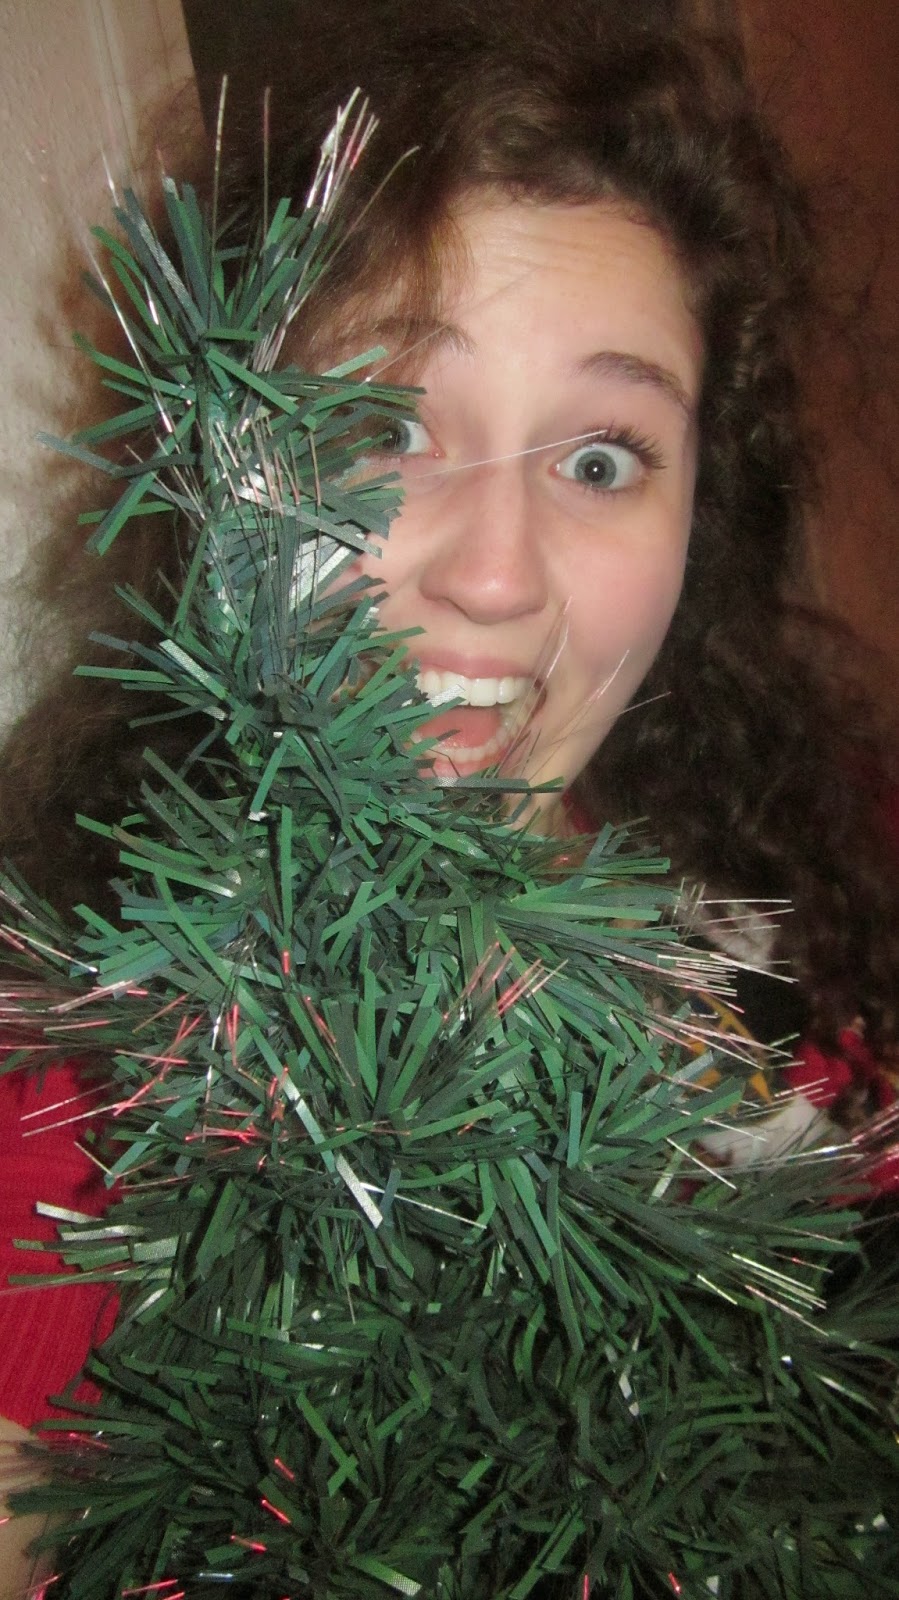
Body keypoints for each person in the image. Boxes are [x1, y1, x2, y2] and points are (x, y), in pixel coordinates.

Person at [0, 0, 897, 1587]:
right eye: (381, 423)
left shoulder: (822, 873)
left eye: (602, 458)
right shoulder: (62, 1084)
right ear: (219, 460)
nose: (494, 577)